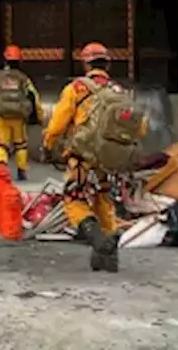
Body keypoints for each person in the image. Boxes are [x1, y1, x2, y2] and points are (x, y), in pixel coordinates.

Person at [43, 41, 141, 272]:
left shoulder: (77, 88)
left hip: (83, 155)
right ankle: (108, 256)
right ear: (107, 63)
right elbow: (140, 127)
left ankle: (97, 239)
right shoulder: (118, 90)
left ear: (86, 64)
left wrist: (49, 145)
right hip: (109, 159)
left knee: (74, 198)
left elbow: (58, 123)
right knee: (103, 200)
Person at [0, 44, 43, 182]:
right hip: (19, 116)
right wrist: (39, 116)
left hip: (1, 116)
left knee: (1, 144)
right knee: (21, 144)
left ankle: (1, 171)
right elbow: (35, 97)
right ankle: (21, 171)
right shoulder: (23, 78)